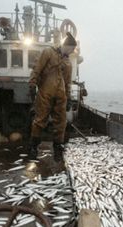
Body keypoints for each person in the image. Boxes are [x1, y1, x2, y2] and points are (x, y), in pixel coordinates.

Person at [28, 32, 77, 161]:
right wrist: (32, 83)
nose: (72, 52)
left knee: (61, 123)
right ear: (67, 45)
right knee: (40, 120)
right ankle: (33, 148)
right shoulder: (48, 52)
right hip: (45, 93)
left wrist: (69, 98)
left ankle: (57, 148)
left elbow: (67, 83)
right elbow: (37, 69)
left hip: (61, 97)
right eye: (72, 49)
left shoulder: (68, 63)